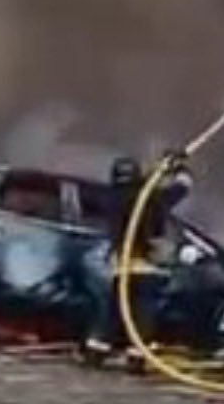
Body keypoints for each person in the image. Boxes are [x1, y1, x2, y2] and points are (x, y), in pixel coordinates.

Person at [80, 153, 193, 360]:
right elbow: (181, 188)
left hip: (122, 266)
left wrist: (160, 170)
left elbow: (143, 188)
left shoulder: (111, 199)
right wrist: (179, 169)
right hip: (145, 265)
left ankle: (97, 348)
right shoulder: (148, 198)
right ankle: (138, 354)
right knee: (142, 313)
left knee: (115, 311)